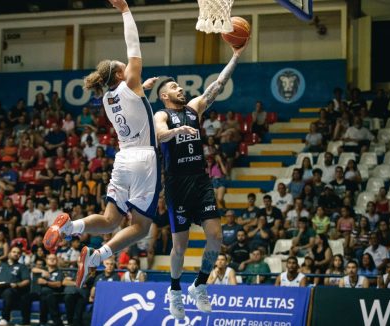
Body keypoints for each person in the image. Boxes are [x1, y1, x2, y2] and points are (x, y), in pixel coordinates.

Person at [43, 0, 161, 290]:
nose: (129, 64)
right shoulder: (129, 81)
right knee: (141, 228)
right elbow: (133, 45)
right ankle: (97, 256)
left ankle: (69, 227)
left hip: (123, 159)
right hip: (145, 159)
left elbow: (132, 99)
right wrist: (125, 11)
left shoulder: (108, 99)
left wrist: (142, 91)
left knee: (110, 220)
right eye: (124, 66)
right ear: (121, 75)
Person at [154, 38, 249, 319]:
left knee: (216, 237)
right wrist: (177, 132)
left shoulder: (194, 108)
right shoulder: (162, 114)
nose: (180, 88)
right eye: (173, 87)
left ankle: (199, 285)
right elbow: (159, 135)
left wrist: (236, 55)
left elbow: (217, 85)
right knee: (180, 247)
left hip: (200, 180)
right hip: (177, 185)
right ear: (164, 96)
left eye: (179, 86)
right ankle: (174, 290)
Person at [0, 246, 31, 326]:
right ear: (9, 253)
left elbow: (27, 281)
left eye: (18, 253)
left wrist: (17, 285)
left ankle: (5, 318)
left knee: (8, 292)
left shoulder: (22, 267)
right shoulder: (0, 265)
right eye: (14, 252)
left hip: (11, 289)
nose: (16, 254)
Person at [36, 254, 64, 326]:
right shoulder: (42, 270)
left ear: (57, 261)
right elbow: (33, 269)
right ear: (46, 260)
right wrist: (42, 271)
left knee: (47, 294)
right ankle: (26, 323)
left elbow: (58, 284)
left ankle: (43, 322)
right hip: (40, 294)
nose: (52, 260)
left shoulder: (59, 272)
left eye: (54, 259)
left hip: (55, 294)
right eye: (50, 258)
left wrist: (46, 282)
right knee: (26, 297)